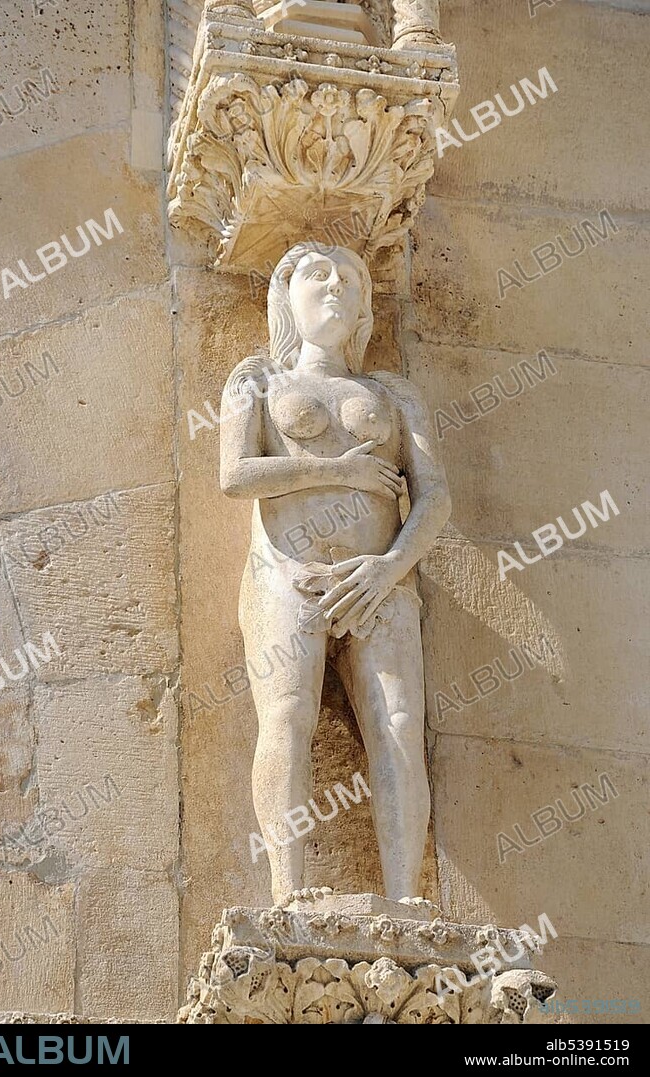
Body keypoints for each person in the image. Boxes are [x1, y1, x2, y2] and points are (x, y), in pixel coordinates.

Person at [220, 241, 451, 903]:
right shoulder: (257, 380)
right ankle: (285, 890)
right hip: (286, 572)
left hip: (378, 579)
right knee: (287, 715)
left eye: (351, 280)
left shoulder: (391, 393)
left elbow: (434, 495)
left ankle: (406, 899)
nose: (336, 287)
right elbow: (234, 474)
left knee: (400, 723)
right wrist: (338, 470)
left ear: (364, 308)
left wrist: (388, 567)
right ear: (285, 295)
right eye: (318, 275)